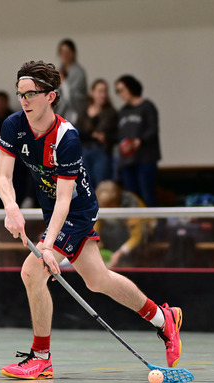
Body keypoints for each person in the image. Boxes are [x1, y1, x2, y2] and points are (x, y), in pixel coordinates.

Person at [0, 60, 182, 380]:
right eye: (20, 94)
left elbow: (65, 200)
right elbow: (3, 175)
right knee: (98, 280)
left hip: (77, 210)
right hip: (52, 210)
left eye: (31, 94)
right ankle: (163, 319)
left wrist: (48, 246)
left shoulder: (66, 137)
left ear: (50, 96)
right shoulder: (14, 126)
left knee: (32, 271)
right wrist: (11, 206)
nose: (24, 100)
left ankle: (41, 357)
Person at [114, 75, 161, 207]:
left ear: (131, 88)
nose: (120, 94)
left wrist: (140, 141)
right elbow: (119, 133)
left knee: (147, 194)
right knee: (132, 197)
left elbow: (153, 129)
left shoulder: (147, 107)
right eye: (118, 91)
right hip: (127, 161)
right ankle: (136, 221)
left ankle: (152, 220)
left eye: (122, 90)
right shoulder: (123, 111)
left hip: (145, 159)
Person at [94, 180, 156, 268]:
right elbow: (95, 228)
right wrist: (97, 246)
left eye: (109, 205)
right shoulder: (99, 204)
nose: (106, 208)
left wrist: (119, 253)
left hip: (146, 233)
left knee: (118, 232)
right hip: (115, 233)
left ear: (116, 201)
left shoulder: (131, 204)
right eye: (103, 206)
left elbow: (137, 235)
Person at [75, 79, 117, 190]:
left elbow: (117, 135)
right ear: (92, 93)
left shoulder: (111, 112)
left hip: (102, 151)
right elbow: (76, 131)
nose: (103, 95)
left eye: (105, 91)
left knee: (102, 185)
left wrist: (105, 137)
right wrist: (93, 135)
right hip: (84, 151)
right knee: (85, 185)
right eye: (100, 91)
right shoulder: (83, 111)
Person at [55, 39, 88, 123]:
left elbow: (75, 97)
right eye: (62, 52)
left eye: (67, 52)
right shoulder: (59, 70)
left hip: (74, 115)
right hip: (59, 114)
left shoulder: (78, 72)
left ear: (73, 53)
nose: (64, 55)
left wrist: (64, 82)